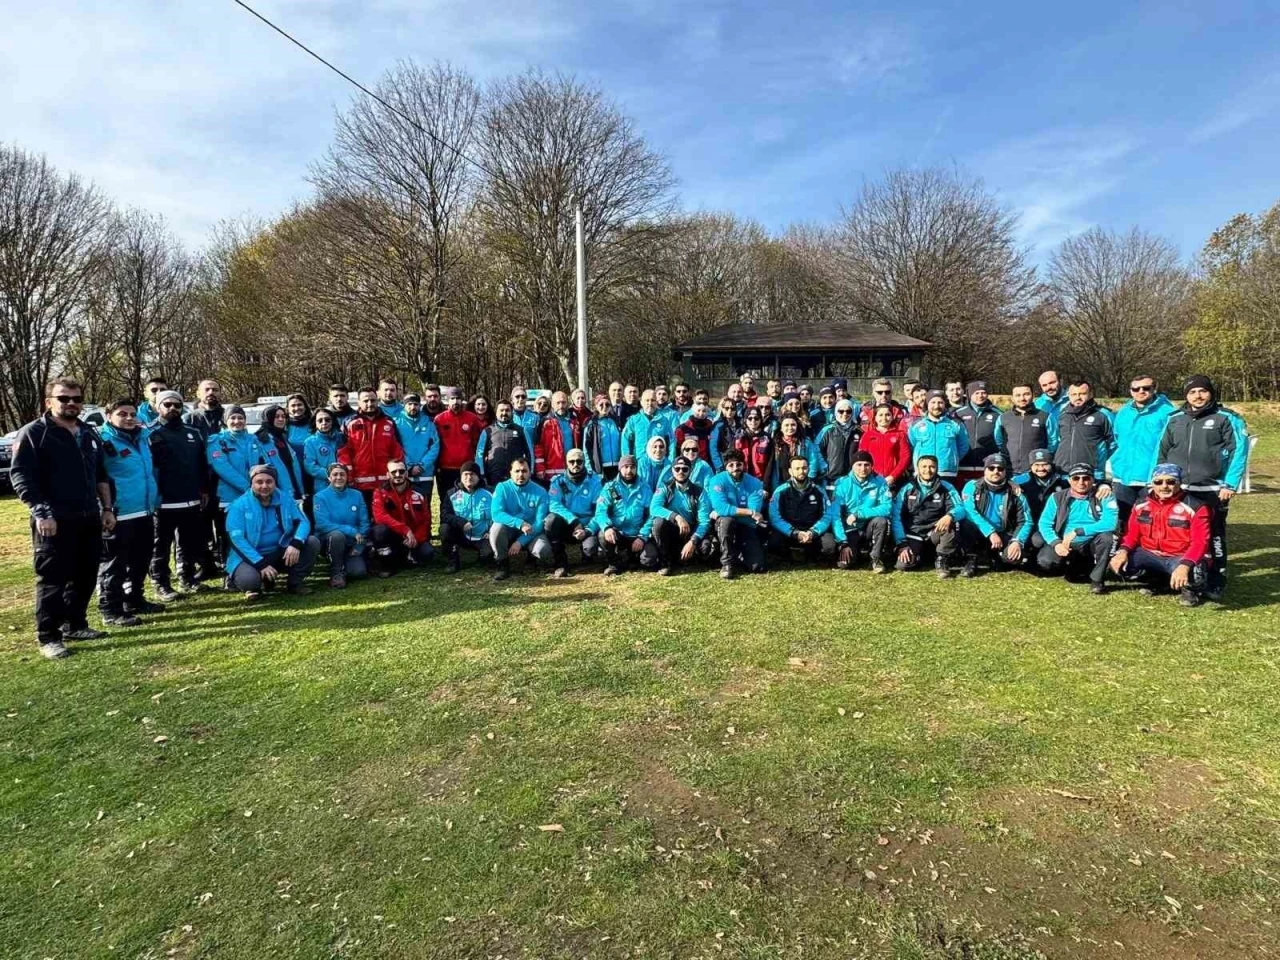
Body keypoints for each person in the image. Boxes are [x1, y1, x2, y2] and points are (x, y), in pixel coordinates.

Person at [11, 378, 113, 657]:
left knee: (85, 574)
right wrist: (41, 512)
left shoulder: (88, 432)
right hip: (54, 519)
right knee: (52, 578)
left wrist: (106, 508)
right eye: (64, 398)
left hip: (88, 516)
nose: (71, 403)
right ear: (49, 402)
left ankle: (75, 624)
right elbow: (21, 476)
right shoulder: (35, 433)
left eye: (76, 399)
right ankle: (49, 637)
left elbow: (100, 474)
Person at [1156, 375, 1248, 601]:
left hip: (1212, 489)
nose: (1197, 396)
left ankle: (1216, 580)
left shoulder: (1226, 417)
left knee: (1213, 536)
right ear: (1186, 395)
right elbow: (1162, 452)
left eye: (1202, 391)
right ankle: (1185, 580)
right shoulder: (1175, 418)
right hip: (1179, 488)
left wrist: (1230, 483)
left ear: (1210, 393)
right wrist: (1159, 480)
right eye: (1192, 392)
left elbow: (1239, 451)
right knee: (1180, 535)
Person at [1109, 463, 1211, 607]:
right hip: (1151, 554)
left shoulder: (1197, 507)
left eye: (1171, 482)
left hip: (1180, 556)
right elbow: (1131, 535)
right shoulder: (1140, 504)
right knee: (1121, 564)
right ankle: (1158, 581)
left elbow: (1200, 543)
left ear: (1179, 483)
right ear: (1152, 484)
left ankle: (1190, 590)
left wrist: (1185, 565)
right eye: (1158, 482)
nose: (1164, 486)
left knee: (1194, 568)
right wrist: (1122, 552)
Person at [97, 399, 160, 626]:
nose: (129, 418)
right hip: (118, 513)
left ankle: (134, 599)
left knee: (141, 559)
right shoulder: (102, 441)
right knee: (114, 564)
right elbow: (98, 477)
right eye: (122, 414)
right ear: (109, 416)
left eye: (133, 414)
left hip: (144, 510)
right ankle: (110, 609)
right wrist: (106, 508)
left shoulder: (143, 438)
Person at [150, 389, 212, 600]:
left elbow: (202, 464)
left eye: (177, 405)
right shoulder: (149, 433)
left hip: (191, 498)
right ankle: (161, 583)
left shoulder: (193, 433)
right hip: (163, 501)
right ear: (158, 407)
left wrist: (204, 489)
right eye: (167, 404)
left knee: (188, 541)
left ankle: (187, 577)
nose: (172, 408)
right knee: (161, 545)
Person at [224, 465, 319, 598]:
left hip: (279, 551)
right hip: (250, 556)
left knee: (312, 542)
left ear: (275, 483)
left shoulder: (285, 498)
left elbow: (303, 521)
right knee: (249, 581)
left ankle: (295, 583)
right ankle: (247, 582)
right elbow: (236, 539)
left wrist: (296, 543)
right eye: (259, 482)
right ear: (252, 483)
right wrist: (260, 564)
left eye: (269, 481)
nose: (264, 486)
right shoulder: (239, 505)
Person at [1034, 463, 1118, 594]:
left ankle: (1097, 580)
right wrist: (1056, 543)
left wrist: (1078, 531)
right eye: (1076, 478)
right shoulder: (1056, 497)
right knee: (1046, 562)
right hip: (1064, 542)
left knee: (1107, 537)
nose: (1081, 482)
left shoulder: (1105, 495)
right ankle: (1072, 567)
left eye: (1086, 478)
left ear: (1093, 480)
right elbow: (1044, 524)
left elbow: (1110, 523)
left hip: (1090, 543)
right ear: (1069, 480)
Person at [208, 405, 277, 554]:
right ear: (225, 421)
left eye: (240, 418)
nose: (237, 421)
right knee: (228, 533)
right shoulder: (217, 441)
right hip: (228, 497)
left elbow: (265, 463)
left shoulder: (253, 440)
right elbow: (222, 468)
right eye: (232, 418)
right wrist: (249, 487)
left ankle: (253, 561)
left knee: (251, 531)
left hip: (253, 496)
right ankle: (226, 563)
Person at [1110, 375, 1176, 528]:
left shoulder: (1168, 413)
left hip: (1152, 477)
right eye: (1136, 388)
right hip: (1123, 477)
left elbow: (1172, 445)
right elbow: (1116, 439)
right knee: (1122, 521)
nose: (1141, 391)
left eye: (1146, 388)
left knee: (1150, 521)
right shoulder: (1123, 412)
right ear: (1131, 391)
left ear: (1154, 389)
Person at [891, 454, 965, 579]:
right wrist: (901, 543)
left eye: (932, 467)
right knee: (903, 565)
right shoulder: (907, 488)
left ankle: (942, 559)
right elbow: (896, 516)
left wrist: (950, 515)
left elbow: (961, 508)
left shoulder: (946, 487)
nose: (928, 470)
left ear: (937, 468)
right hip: (913, 533)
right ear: (918, 469)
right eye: (924, 467)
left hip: (935, 531)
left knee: (950, 524)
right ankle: (923, 555)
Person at [958, 454, 1032, 577]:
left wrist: (1017, 541)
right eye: (991, 468)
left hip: (1003, 532)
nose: (995, 471)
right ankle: (971, 558)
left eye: (1000, 468)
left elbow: (1026, 521)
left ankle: (995, 556)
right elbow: (970, 512)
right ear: (985, 470)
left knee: (1013, 559)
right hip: (980, 532)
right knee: (966, 523)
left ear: (1005, 472)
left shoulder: (1015, 492)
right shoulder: (972, 486)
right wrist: (990, 532)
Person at [642, 456, 713, 575]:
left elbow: (704, 521)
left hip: (690, 531)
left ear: (690, 471)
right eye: (677, 468)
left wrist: (693, 541)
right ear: (672, 470)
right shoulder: (664, 488)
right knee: (658, 522)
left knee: (705, 548)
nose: (681, 472)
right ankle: (666, 563)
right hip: (670, 530)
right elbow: (654, 508)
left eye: (685, 469)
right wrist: (676, 517)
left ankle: (685, 556)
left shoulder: (699, 491)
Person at [185, 379, 226, 579]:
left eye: (215, 389)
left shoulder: (227, 415)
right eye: (207, 389)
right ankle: (206, 565)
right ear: (199, 393)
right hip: (201, 480)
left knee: (225, 524)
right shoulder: (190, 418)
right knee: (201, 526)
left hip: (225, 480)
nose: (211, 392)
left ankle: (226, 561)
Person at [489, 457, 554, 581]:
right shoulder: (502, 488)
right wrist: (519, 523)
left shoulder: (540, 492)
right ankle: (502, 563)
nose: (520, 475)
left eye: (524, 471)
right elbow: (496, 514)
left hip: (531, 532)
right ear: (511, 473)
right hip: (509, 530)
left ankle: (531, 559)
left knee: (543, 550)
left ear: (530, 472)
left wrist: (520, 542)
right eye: (517, 471)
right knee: (496, 528)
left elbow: (539, 523)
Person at [707, 449, 768, 579]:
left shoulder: (755, 483)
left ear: (744, 465)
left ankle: (738, 553)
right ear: (726, 467)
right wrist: (749, 512)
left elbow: (755, 508)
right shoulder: (716, 481)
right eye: (731, 465)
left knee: (757, 567)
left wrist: (729, 510)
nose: (735, 468)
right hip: (725, 524)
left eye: (739, 464)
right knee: (727, 521)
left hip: (746, 525)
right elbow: (722, 508)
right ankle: (727, 564)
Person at [829, 451, 892, 573]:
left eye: (866, 464)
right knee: (845, 564)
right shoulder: (842, 483)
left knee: (882, 521)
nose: (863, 468)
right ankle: (854, 551)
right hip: (850, 529)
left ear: (871, 466)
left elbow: (887, 508)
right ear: (852, 466)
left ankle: (876, 559)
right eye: (859, 464)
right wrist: (843, 542)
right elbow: (835, 515)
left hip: (869, 526)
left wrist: (859, 514)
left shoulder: (880, 482)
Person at [339, 387, 404, 502]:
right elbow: (344, 453)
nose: (370, 404)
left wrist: (396, 475)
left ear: (377, 401)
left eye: (373, 400)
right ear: (359, 402)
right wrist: (349, 477)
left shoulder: (388, 422)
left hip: (385, 483)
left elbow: (397, 451)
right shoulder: (349, 423)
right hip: (359, 484)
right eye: (366, 401)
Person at [371, 458, 435, 575]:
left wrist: (415, 538)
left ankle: (406, 555)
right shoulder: (379, 492)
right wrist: (405, 530)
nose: (397, 474)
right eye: (393, 472)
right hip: (393, 535)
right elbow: (380, 517)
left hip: (413, 536)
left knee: (428, 553)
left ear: (406, 473)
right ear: (387, 474)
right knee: (379, 530)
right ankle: (386, 564)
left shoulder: (419, 493)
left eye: (401, 471)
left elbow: (426, 521)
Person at [544, 449, 602, 576]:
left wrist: (588, 530)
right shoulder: (558, 481)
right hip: (567, 524)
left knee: (590, 548)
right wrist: (573, 521)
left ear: (584, 462)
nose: (575, 464)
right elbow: (553, 504)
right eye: (572, 462)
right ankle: (560, 562)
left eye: (579, 461)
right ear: (566, 463)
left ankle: (587, 556)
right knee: (550, 520)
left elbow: (599, 511)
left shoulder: (595, 482)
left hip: (587, 525)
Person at [767, 455, 835, 564]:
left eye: (804, 468)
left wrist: (813, 532)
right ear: (790, 471)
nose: (801, 471)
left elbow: (827, 516)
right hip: (790, 532)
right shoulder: (780, 491)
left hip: (811, 532)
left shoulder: (819, 491)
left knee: (830, 546)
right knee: (774, 543)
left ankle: (807, 555)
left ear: (808, 469)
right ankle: (793, 555)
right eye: (797, 468)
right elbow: (775, 517)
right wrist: (794, 533)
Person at [312, 462, 370, 587]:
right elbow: (322, 524)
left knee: (358, 572)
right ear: (329, 478)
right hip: (331, 541)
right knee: (337, 535)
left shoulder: (357, 495)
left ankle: (349, 561)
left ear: (347, 477)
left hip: (353, 542)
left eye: (342, 474)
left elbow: (364, 522)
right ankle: (336, 573)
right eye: (335, 475)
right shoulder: (320, 497)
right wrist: (351, 531)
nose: (339, 477)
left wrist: (359, 546)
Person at [594, 454, 651, 575]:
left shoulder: (645, 488)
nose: (629, 471)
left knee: (648, 560)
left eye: (632, 467)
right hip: (617, 533)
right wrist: (607, 527)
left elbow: (652, 516)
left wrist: (642, 536)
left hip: (637, 534)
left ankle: (633, 557)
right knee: (603, 534)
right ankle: (614, 563)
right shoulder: (610, 488)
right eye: (626, 467)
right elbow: (600, 512)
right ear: (620, 468)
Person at [439, 461, 496, 573]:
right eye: (466, 474)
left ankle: (483, 555)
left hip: (483, 536)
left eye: (472, 474)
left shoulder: (491, 493)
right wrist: (460, 522)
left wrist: (491, 531)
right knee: (444, 529)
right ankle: (453, 561)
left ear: (478, 477)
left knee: (487, 557)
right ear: (461, 476)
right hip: (461, 535)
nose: (469, 477)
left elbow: (499, 514)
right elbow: (445, 515)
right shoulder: (451, 494)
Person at [1053, 381, 1115, 481]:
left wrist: (1097, 459)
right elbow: (1058, 440)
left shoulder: (1103, 414)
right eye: (1074, 394)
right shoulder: (1063, 414)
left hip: (1091, 473)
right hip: (1063, 471)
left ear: (1090, 394)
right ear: (1069, 396)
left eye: (1082, 394)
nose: (1078, 397)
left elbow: (1113, 442)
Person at [1012, 449, 1068, 555]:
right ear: (1031, 466)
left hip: (1055, 525)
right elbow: (1003, 481)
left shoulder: (1063, 480)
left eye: (1045, 464)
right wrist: (1011, 483)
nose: (1041, 468)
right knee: (1037, 540)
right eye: (1036, 465)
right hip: (1031, 524)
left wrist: (1101, 486)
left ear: (1051, 464)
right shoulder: (1022, 480)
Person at [997, 383, 1059, 476]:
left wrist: (1042, 461)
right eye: (1018, 395)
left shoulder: (1046, 417)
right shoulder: (1003, 418)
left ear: (1033, 396)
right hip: (1009, 471)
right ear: (1012, 398)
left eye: (1026, 394)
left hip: (1036, 472)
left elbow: (1053, 442)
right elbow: (999, 441)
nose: (1022, 398)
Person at [907, 391, 969, 481]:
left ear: (945, 404)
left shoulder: (955, 424)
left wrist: (951, 458)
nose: (936, 406)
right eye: (933, 402)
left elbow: (963, 446)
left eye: (940, 402)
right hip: (923, 472)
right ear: (927, 404)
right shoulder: (916, 425)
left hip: (947, 472)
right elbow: (911, 445)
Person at [434, 386, 485, 494]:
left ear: (462, 400)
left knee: (466, 498)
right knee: (446, 498)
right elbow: (435, 444)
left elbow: (477, 443)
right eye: (452, 398)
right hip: (445, 468)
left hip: (466, 468)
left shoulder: (472, 419)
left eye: (458, 398)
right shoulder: (439, 419)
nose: (455, 401)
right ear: (447, 400)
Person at [395, 393, 441, 503]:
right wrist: (409, 466)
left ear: (420, 406)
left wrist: (422, 466)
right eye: (409, 404)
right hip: (404, 474)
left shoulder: (429, 422)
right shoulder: (396, 423)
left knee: (424, 508)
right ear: (404, 405)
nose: (413, 407)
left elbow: (435, 446)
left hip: (425, 474)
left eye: (416, 404)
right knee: (405, 508)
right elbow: (396, 446)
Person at [476, 400, 533, 489]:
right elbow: (480, 455)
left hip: (516, 477)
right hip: (493, 477)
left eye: (507, 410)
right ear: (496, 413)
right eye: (501, 410)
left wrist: (530, 472)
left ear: (511, 412)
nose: (504, 413)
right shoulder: (487, 431)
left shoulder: (521, 430)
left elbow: (530, 453)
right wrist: (481, 474)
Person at [954, 381, 1002, 486]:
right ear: (970, 394)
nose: (980, 396)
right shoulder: (958, 414)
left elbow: (1002, 439)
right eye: (977, 393)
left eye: (983, 392)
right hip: (962, 466)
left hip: (987, 467)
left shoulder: (997, 414)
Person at [255, 405, 305, 503]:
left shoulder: (282, 436)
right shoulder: (261, 439)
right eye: (277, 416)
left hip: (292, 489)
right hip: (274, 493)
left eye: (283, 416)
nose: (281, 419)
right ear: (269, 418)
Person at [859, 403, 911, 490]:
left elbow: (905, 457)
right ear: (875, 418)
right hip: (872, 479)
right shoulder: (868, 435)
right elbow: (862, 457)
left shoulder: (900, 435)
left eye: (887, 415)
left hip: (894, 480)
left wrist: (893, 476)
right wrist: (870, 475)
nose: (884, 418)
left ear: (892, 417)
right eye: (880, 415)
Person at [815, 397, 862, 494]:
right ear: (836, 411)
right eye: (841, 411)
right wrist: (824, 467)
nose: (845, 414)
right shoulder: (828, 430)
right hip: (831, 477)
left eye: (848, 411)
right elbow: (816, 449)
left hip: (853, 477)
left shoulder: (859, 431)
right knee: (832, 501)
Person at [535, 390, 581, 483]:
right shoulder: (545, 422)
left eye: (563, 402)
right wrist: (540, 467)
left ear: (568, 403)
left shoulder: (574, 422)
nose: (561, 406)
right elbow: (538, 447)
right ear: (552, 404)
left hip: (572, 469)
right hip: (552, 471)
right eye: (558, 403)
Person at [770, 414, 825, 490]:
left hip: (802, 482)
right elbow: (773, 467)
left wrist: (809, 479)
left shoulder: (805, 442)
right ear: (781, 428)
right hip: (781, 482)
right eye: (786, 425)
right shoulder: (775, 443)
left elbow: (813, 461)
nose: (790, 428)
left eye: (793, 425)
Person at [621, 389, 674, 458]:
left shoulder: (664, 420)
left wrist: (670, 460)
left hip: (659, 461)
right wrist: (627, 460)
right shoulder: (633, 420)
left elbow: (671, 441)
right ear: (641, 402)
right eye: (647, 400)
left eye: (653, 400)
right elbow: (625, 439)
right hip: (639, 460)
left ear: (656, 402)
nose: (650, 403)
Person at [303, 408, 345, 493]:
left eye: (327, 420)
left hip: (343, 483)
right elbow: (310, 466)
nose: (324, 423)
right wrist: (332, 474)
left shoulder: (341, 438)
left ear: (332, 421)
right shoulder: (310, 442)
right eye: (320, 420)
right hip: (323, 486)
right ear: (315, 423)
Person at [583, 393, 622, 480]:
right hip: (600, 468)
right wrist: (589, 468)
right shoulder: (592, 425)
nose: (605, 407)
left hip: (617, 466)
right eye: (601, 405)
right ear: (596, 406)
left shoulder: (615, 422)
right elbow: (586, 448)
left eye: (607, 404)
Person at [734, 407, 774, 487]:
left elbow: (770, 463)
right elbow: (732, 458)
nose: (753, 421)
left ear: (760, 420)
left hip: (760, 479)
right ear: (745, 420)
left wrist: (765, 485)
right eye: (750, 418)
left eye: (756, 418)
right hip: (741, 478)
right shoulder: (738, 437)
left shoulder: (767, 438)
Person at [674, 398, 717, 464]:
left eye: (704, 411)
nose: (701, 413)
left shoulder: (711, 427)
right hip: (687, 463)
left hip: (707, 463)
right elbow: (677, 449)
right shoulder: (682, 429)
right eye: (698, 410)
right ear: (693, 411)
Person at [708, 397, 743, 470]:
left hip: (739, 462)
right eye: (726, 408)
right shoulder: (718, 425)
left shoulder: (741, 424)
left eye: (732, 408)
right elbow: (713, 447)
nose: (729, 411)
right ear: (722, 409)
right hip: (724, 462)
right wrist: (719, 466)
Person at [510, 386, 541, 455]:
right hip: (512, 456)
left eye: (523, 397)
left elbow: (538, 441)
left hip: (529, 456)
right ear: (512, 400)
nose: (520, 399)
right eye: (517, 396)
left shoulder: (535, 417)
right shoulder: (507, 416)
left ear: (526, 399)